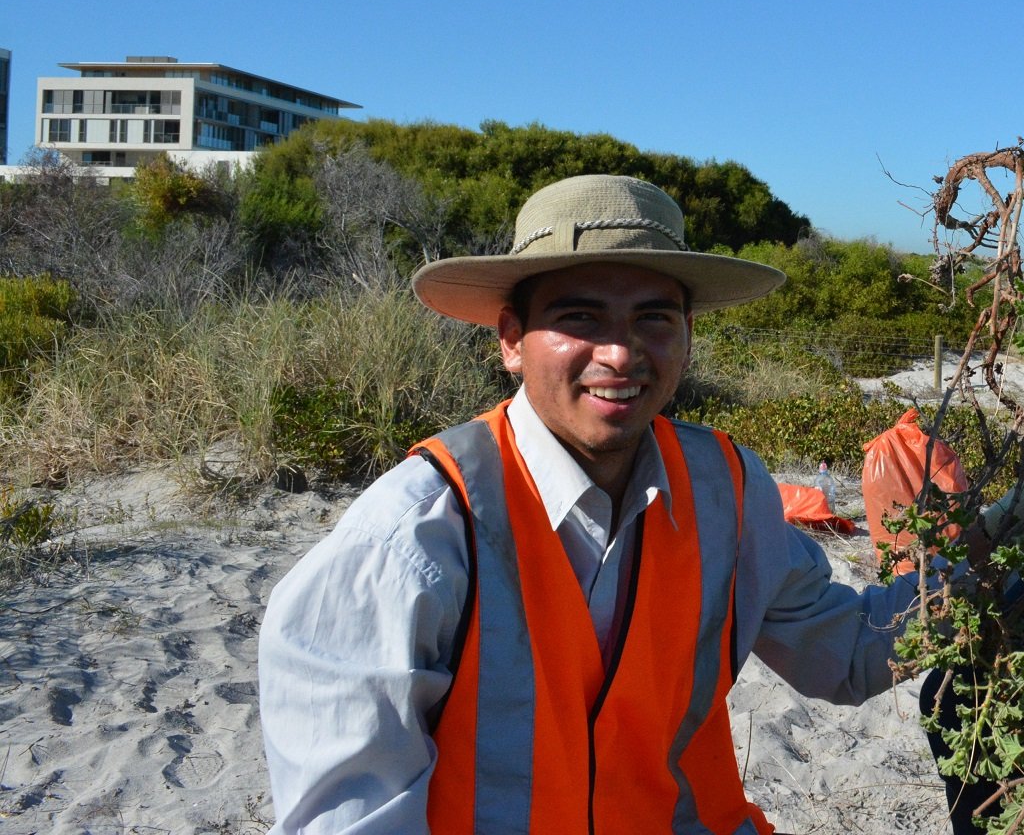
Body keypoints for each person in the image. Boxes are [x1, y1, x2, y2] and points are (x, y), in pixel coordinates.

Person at [258, 174, 924, 834]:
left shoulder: (726, 488)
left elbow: (848, 656)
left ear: (686, 335)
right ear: (512, 340)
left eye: (653, 319)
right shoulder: (417, 533)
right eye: (578, 318)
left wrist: (1000, 546)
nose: (620, 352)